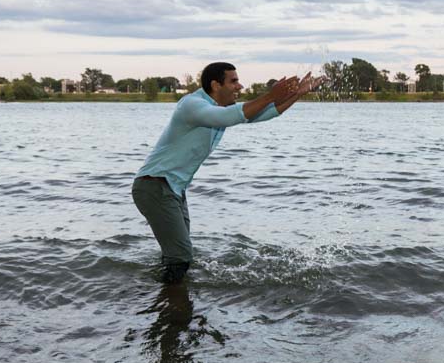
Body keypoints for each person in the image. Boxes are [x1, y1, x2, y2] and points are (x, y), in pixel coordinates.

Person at [133, 62, 321, 281]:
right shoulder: (192, 105)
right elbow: (228, 117)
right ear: (215, 84)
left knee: (178, 255)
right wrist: (270, 95)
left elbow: (264, 113)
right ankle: (171, 306)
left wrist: (296, 94)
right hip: (155, 186)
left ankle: (162, 296)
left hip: (172, 189)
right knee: (181, 258)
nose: (239, 86)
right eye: (233, 81)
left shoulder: (216, 108)